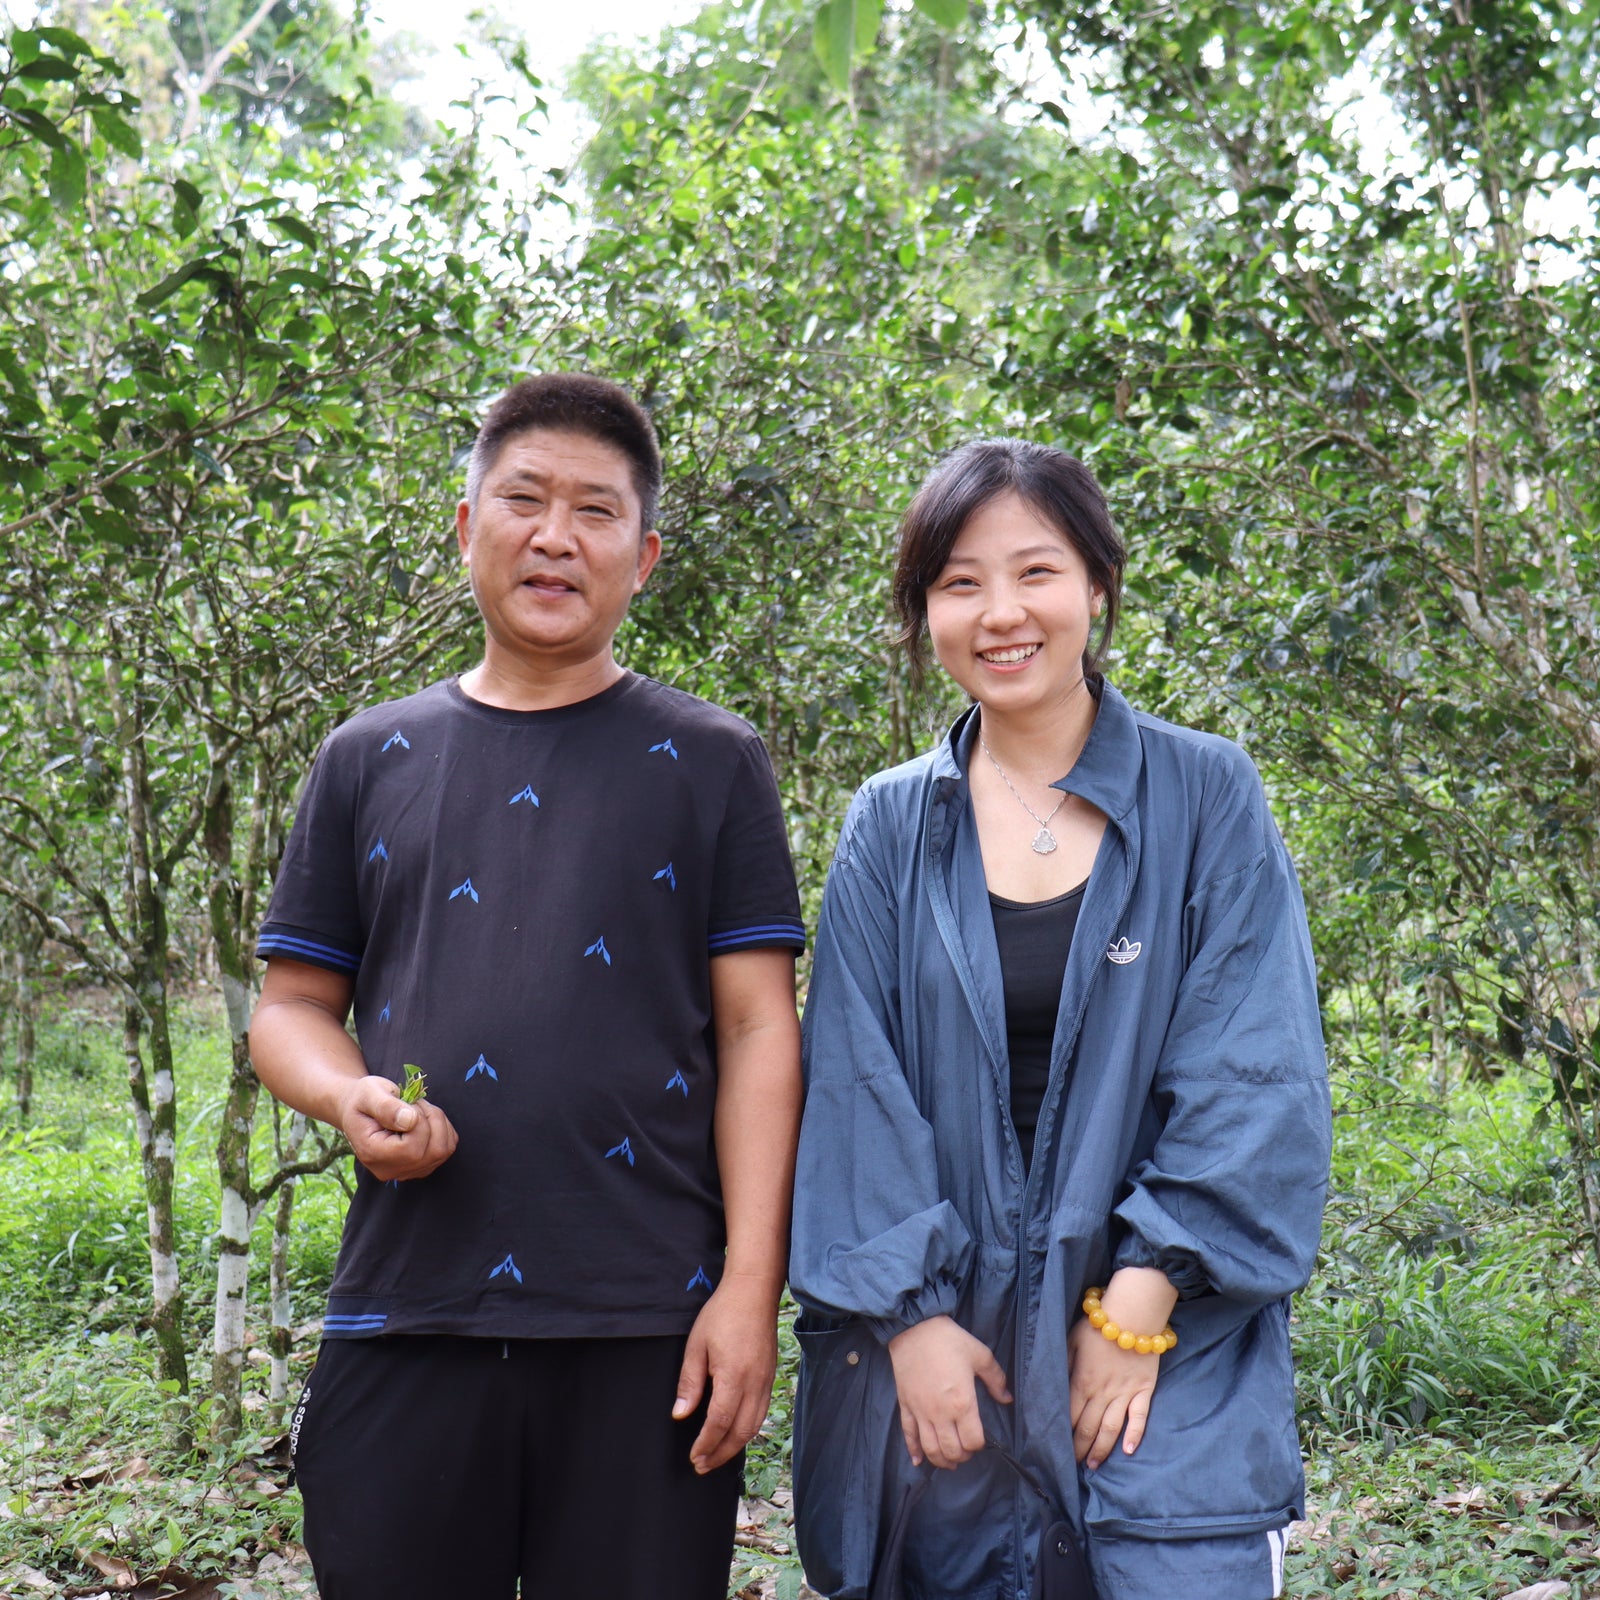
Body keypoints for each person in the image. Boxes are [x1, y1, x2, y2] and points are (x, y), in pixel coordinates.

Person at [250, 373, 805, 1600]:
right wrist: (348, 1100)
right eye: (525, 499)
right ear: (466, 527)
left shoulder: (711, 760)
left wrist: (750, 1290)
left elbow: (761, 1028)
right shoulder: (366, 755)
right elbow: (290, 1008)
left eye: (596, 511)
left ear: (643, 556)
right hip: (407, 1310)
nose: (556, 536)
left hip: (646, 1324)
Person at [788, 439, 1331, 1600]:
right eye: (957, 583)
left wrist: (1142, 1295)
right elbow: (847, 1080)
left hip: (1162, 1353)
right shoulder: (889, 825)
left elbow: (1256, 1069)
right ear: (924, 609)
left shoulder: (1206, 795)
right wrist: (910, 1322)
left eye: (1035, 572)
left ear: (1095, 586)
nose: (1000, 613)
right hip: (948, 1375)